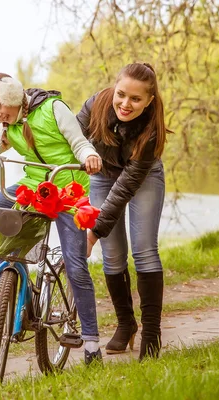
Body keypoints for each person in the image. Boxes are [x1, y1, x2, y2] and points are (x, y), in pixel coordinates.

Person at [0, 73, 104, 364]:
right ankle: (2, 288)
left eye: (0, 105)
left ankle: (90, 343)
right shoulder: (9, 125)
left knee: (75, 265)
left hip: (67, 188)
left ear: (12, 94)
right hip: (34, 187)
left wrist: (89, 156)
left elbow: (79, 142)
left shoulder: (53, 108)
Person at [76, 62, 170, 361]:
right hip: (102, 173)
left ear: (149, 100)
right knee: (113, 254)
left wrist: (95, 229)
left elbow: (126, 187)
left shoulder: (151, 131)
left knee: (144, 251)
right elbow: (70, 139)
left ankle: (151, 336)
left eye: (135, 99)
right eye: (121, 94)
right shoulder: (96, 104)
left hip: (141, 178)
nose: (125, 104)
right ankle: (126, 324)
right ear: (113, 88)